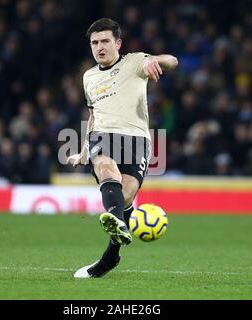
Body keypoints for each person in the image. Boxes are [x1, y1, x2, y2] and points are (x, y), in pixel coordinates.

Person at [67, 18, 178, 278]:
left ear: (118, 43)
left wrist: (156, 61)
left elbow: (173, 61)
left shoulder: (135, 61)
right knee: (106, 168)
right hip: (102, 135)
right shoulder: (89, 77)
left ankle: (112, 254)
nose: (99, 47)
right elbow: (93, 116)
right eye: (94, 43)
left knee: (126, 194)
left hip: (136, 138)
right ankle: (116, 222)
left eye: (105, 41)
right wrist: (84, 152)